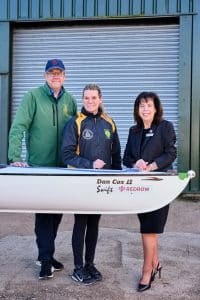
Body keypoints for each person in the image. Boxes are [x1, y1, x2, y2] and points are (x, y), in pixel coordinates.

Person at [8, 59, 77, 280]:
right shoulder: (33, 97)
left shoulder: (70, 100)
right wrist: (15, 157)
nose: (55, 76)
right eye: (51, 73)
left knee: (56, 212)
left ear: (64, 76)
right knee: (44, 213)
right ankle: (45, 259)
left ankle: (47, 253)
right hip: (40, 166)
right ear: (44, 76)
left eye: (59, 73)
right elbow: (19, 127)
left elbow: (77, 132)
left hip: (63, 167)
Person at [62, 84, 121, 285]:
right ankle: (77, 267)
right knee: (81, 222)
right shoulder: (75, 123)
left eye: (94, 97)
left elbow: (116, 156)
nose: (90, 101)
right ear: (83, 99)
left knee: (94, 223)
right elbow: (67, 154)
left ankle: (89, 263)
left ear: (100, 99)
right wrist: (89, 164)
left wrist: (116, 182)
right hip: (81, 183)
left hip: (101, 184)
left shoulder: (109, 123)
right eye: (86, 98)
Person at [123, 91, 176, 292]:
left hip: (158, 186)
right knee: (148, 227)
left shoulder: (165, 127)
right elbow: (126, 158)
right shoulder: (134, 131)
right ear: (137, 109)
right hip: (139, 188)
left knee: (148, 230)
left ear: (156, 109)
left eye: (149, 105)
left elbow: (171, 153)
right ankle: (156, 263)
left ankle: (147, 271)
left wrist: (152, 166)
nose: (145, 109)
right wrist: (135, 163)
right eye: (141, 105)